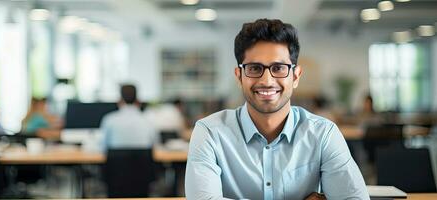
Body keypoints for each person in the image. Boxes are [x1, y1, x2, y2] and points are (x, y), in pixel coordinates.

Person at [185, 19, 368, 200]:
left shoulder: (323, 133)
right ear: (239, 76)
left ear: (295, 76)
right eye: (255, 68)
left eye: (279, 68)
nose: (267, 80)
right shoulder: (209, 132)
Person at [100, 84, 158, 150]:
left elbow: (103, 147)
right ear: (138, 101)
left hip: (117, 160)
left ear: (120, 101)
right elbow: (155, 147)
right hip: (142, 160)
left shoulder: (109, 120)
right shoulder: (148, 120)